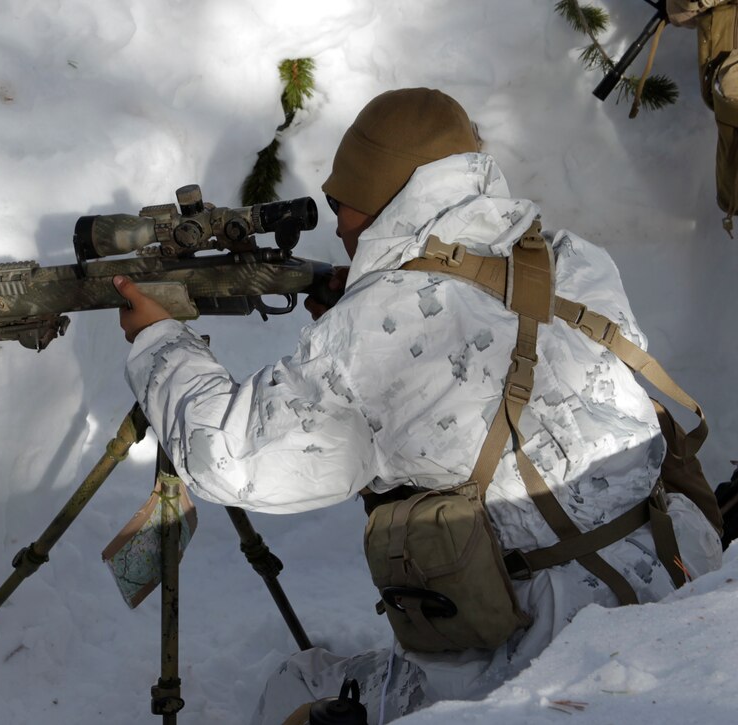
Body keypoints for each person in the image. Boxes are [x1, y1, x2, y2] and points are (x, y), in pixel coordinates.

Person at [111, 88, 723, 723]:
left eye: (341, 204)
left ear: (382, 196)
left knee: (293, 691)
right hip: (678, 597)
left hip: (542, 664)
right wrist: (372, 301)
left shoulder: (378, 331)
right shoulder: (569, 256)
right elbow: (468, 341)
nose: (341, 225)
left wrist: (159, 343)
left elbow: (228, 458)